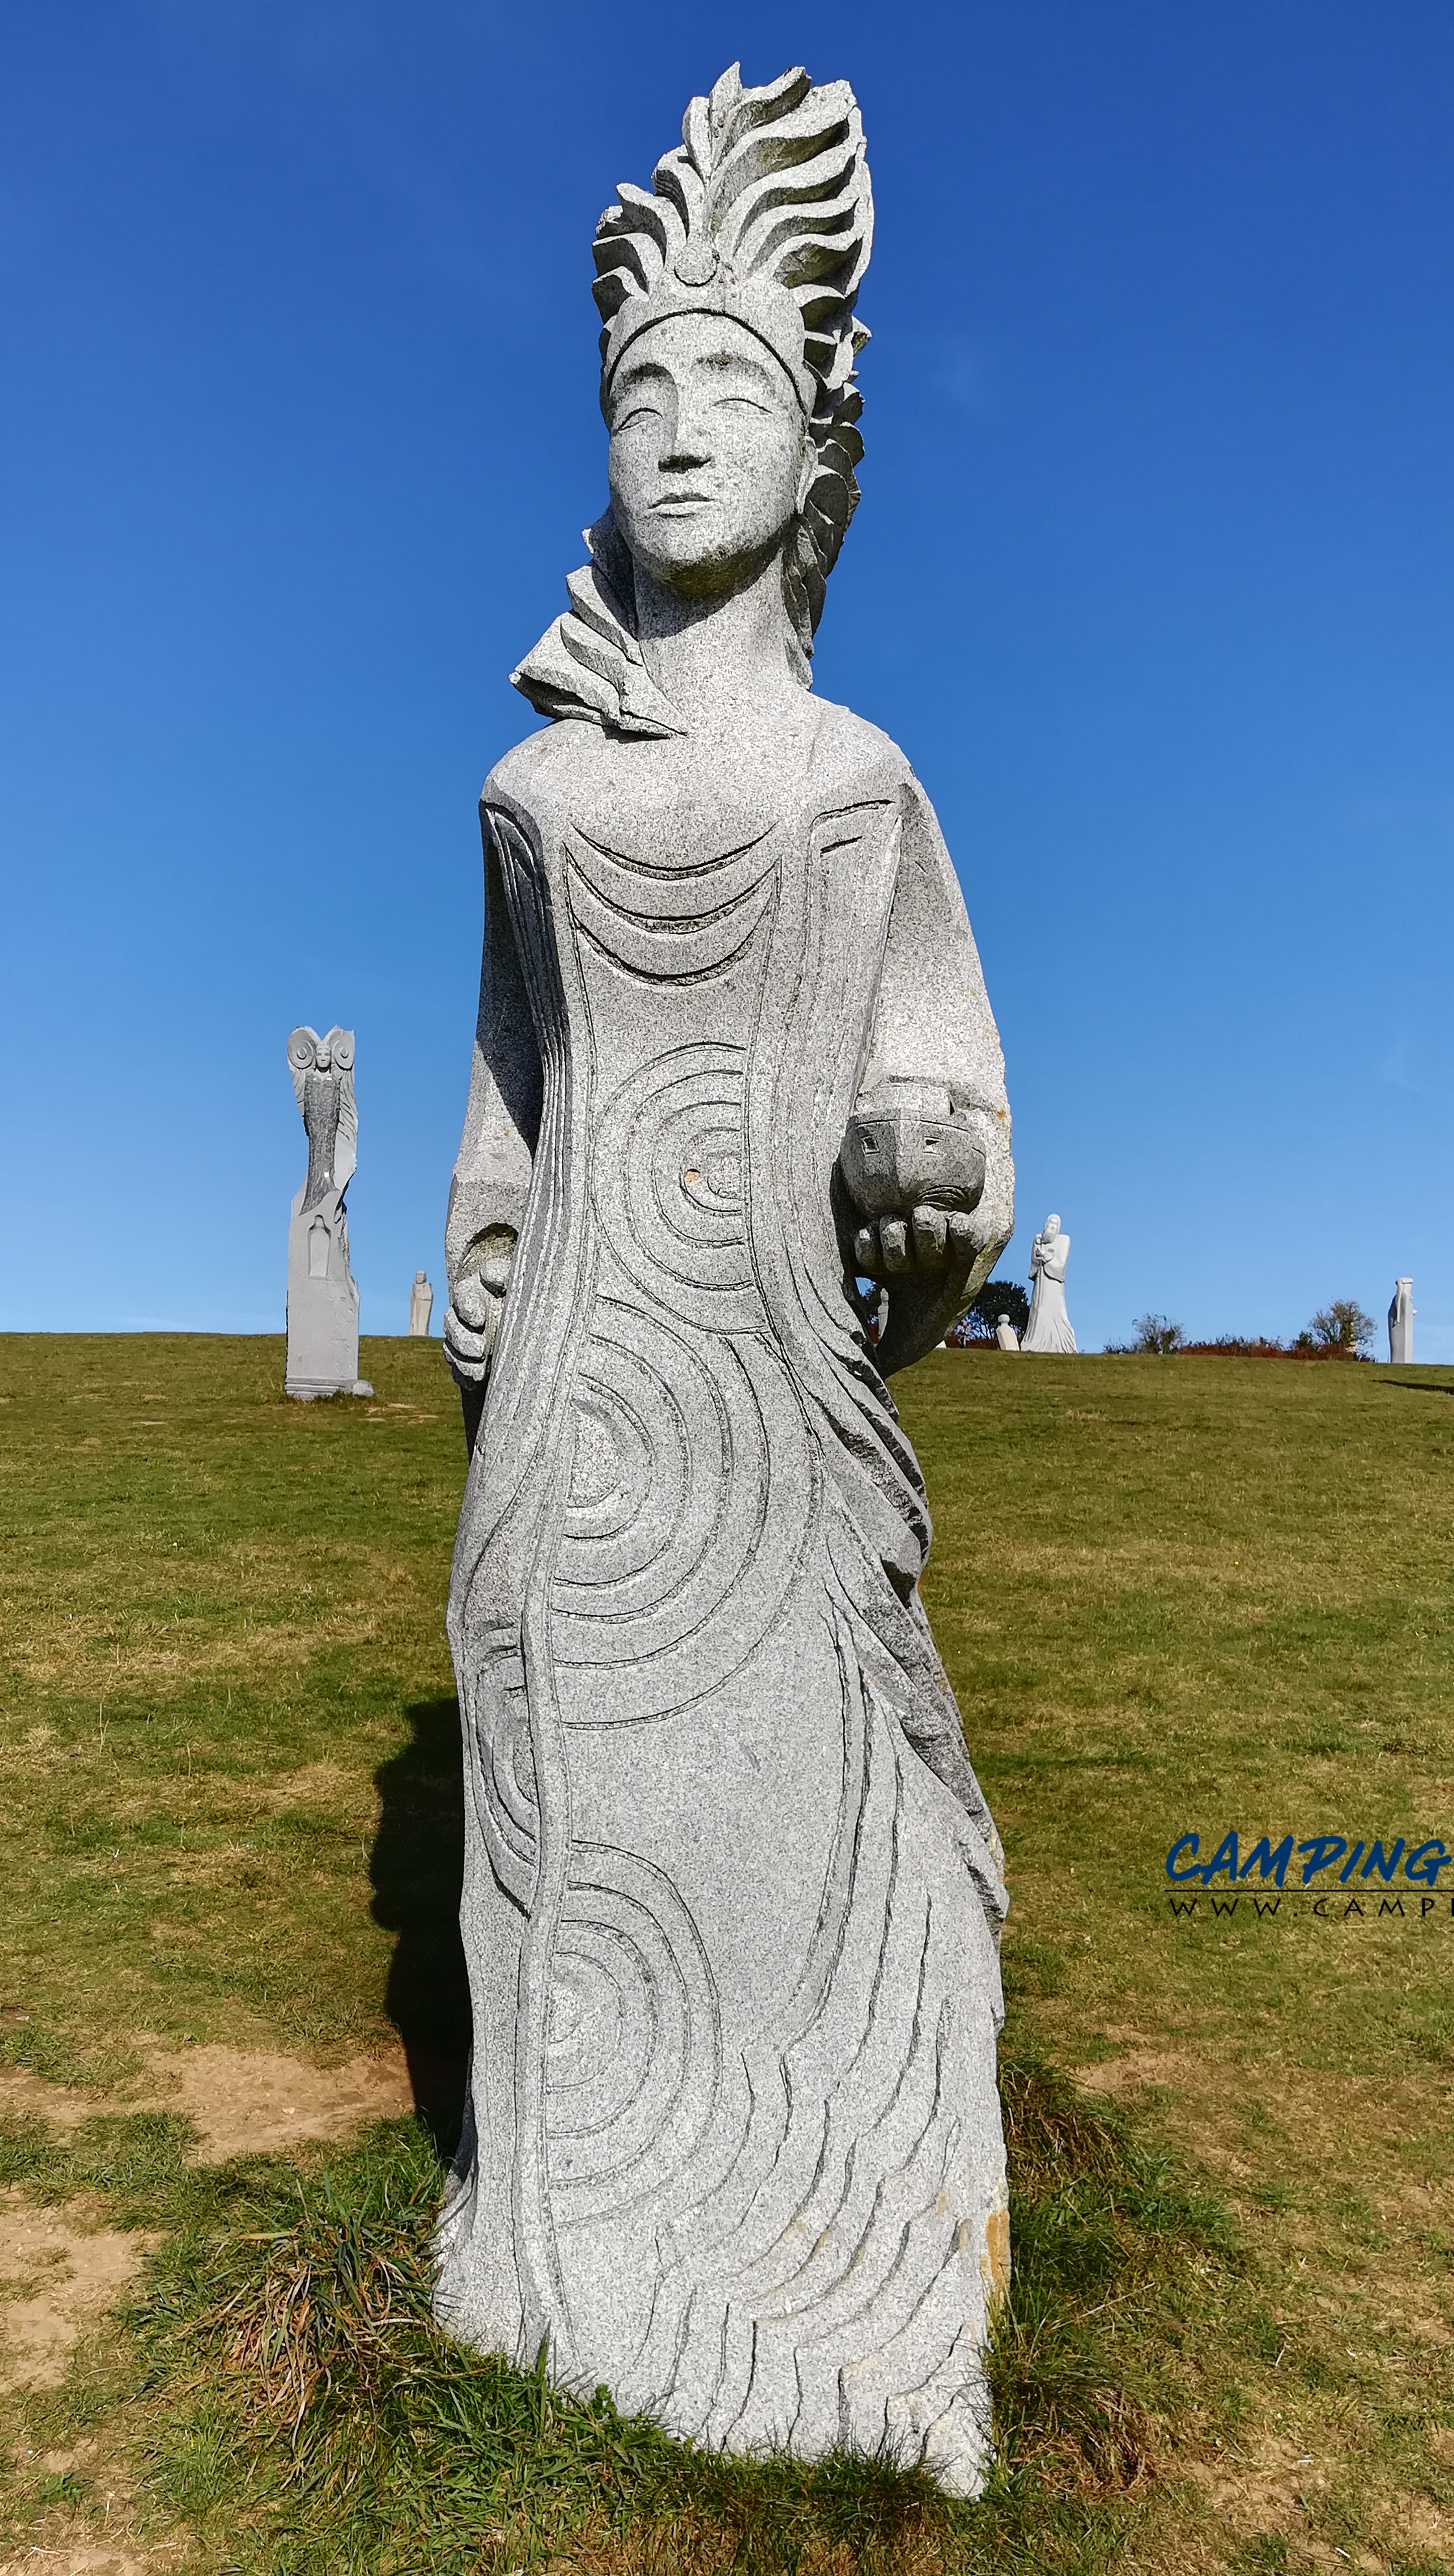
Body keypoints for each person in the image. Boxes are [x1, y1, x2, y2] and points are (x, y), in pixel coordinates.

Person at [436, 64, 1013, 2492]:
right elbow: (509, 1104)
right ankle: (549, 2251)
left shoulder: (860, 784)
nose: (674, 430)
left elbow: (950, 1102)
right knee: (579, 1883)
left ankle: (863, 2297)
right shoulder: (536, 800)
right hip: (573, 1440)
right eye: (634, 390)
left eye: (727, 386)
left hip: (780, 1429)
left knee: (826, 1874)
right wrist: (475, 1249)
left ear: (817, 440)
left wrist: (931, 1181)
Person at [1022, 1212, 1077, 1352]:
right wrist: (1040, 1256)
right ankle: (1035, 1342)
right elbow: (1034, 1261)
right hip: (1041, 1282)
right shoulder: (1038, 1239)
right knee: (1039, 1310)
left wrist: (1046, 1257)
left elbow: (1061, 1265)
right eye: (1050, 1224)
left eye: (1055, 1225)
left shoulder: (1064, 1240)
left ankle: (1062, 1344)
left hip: (1054, 1283)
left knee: (1058, 1312)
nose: (1052, 1226)